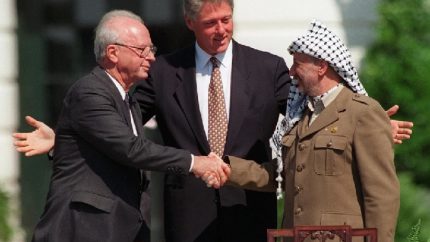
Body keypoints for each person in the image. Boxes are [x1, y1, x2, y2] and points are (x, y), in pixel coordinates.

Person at [13, 1, 413, 241]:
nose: (221, 29)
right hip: (188, 215)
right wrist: (66, 137)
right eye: (210, 22)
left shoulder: (268, 66)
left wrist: (370, 125)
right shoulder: (165, 69)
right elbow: (123, 126)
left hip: (250, 211)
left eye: (226, 18)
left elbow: (306, 116)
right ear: (191, 23)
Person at [25, 9, 229, 242]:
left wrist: (58, 142)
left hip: (122, 227)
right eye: (142, 50)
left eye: (151, 49)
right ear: (113, 52)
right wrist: (195, 162)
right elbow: (131, 149)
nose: (151, 57)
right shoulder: (90, 92)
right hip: (84, 228)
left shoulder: (128, 99)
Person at [214, 21, 400, 242]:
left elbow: (381, 195)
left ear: (321, 67)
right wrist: (226, 169)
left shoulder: (362, 113)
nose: (291, 72)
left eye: (297, 65)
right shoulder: (301, 116)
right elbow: (281, 175)